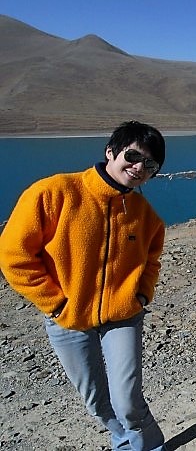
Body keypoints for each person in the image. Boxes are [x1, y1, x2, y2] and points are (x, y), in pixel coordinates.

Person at [0, 120, 168, 450]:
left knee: (128, 402)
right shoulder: (54, 194)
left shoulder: (146, 216)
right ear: (110, 152)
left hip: (123, 316)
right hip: (68, 319)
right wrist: (57, 303)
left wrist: (142, 293)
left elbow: (152, 260)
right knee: (95, 400)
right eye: (132, 156)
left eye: (150, 165)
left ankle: (150, 447)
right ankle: (122, 443)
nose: (138, 168)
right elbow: (13, 256)